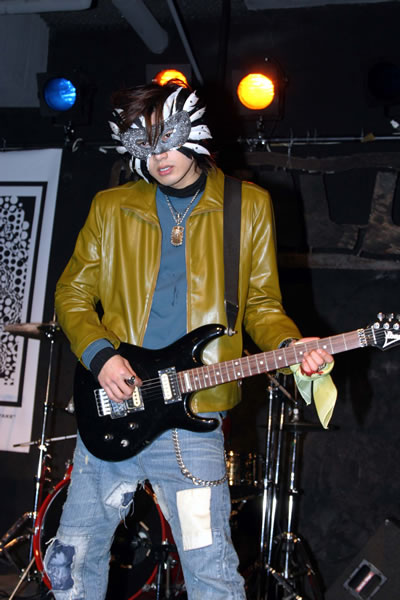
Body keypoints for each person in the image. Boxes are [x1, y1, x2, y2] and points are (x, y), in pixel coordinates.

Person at [44, 81, 335, 600]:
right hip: (113, 407)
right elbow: (72, 293)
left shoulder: (247, 207)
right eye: (145, 145)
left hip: (192, 420)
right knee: (73, 560)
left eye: (169, 140)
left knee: (211, 573)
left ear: (196, 133)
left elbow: (262, 305)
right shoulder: (112, 207)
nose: (158, 157)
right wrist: (100, 355)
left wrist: (290, 345)